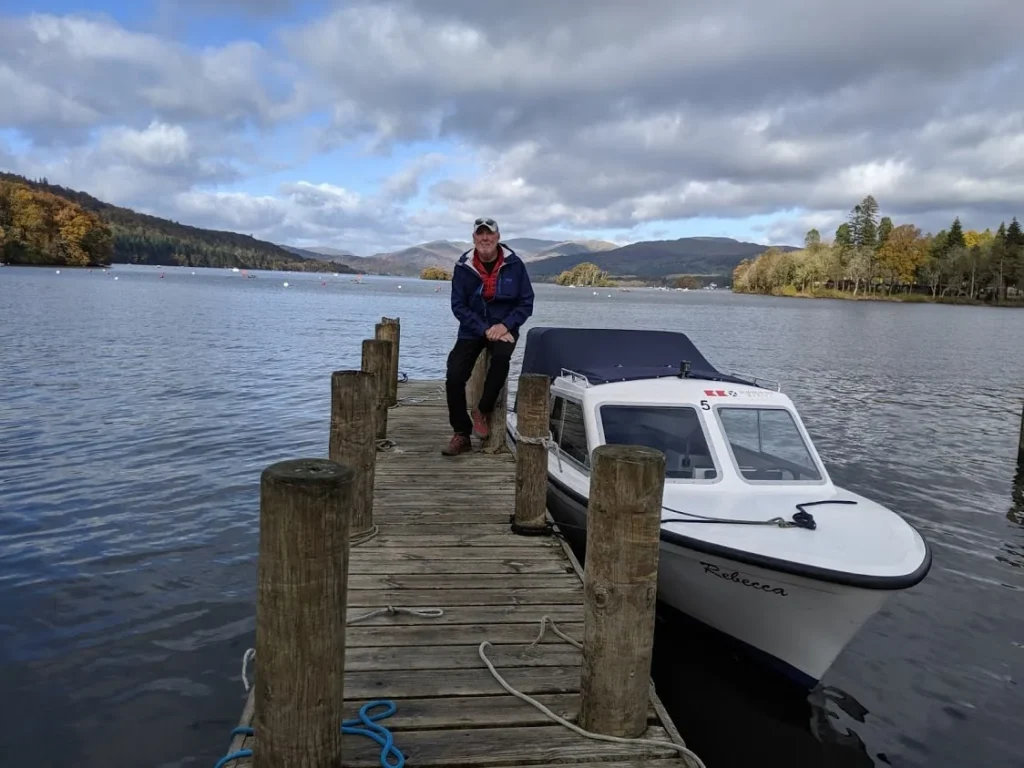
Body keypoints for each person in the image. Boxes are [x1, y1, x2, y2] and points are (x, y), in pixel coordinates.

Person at [442, 217, 534, 455]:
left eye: (489, 234)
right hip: (473, 328)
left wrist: (505, 326)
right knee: (454, 374)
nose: (485, 238)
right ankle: (461, 434)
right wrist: (484, 329)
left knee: (502, 359)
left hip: (505, 326)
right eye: (480, 234)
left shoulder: (515, 264)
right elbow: (458, 306)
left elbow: (526, 303)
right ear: (474, 239)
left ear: (498, 237)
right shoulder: (463, 267)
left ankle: (482, 410)